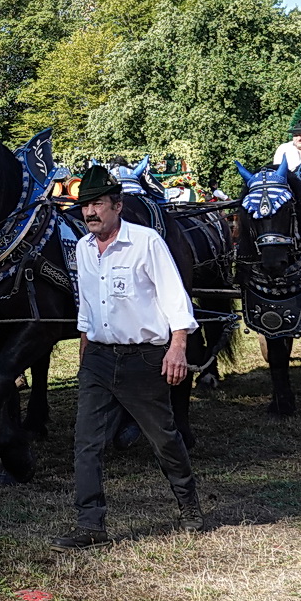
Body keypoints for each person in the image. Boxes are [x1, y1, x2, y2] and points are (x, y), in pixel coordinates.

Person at [50, 166, 205, 550]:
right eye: (84, 205)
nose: (89, 212)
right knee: (86, 442)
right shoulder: (84, 248)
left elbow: (174, 296)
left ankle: (189, 506)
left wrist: (178, 347)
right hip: (100, 357)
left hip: (144, 358)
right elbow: (86, 307)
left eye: (97, 204)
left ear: (117, 206)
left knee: (164, 438)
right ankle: (91, 525)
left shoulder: (146, 241)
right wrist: (85, 357)